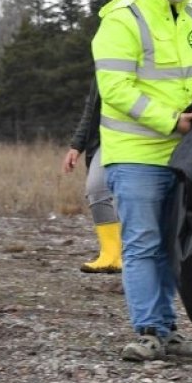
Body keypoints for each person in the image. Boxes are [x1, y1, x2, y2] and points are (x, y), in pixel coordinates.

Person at [92, 0, 192, 361]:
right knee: (143, 243)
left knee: (173, 246)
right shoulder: (122, 20)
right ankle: (149, 331)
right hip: (137, 152)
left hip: (184, 154)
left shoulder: (191, 14)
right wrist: (169, 119)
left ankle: (168, 330)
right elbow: (115, 89)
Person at [60, 82, 121, 273]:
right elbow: (92, 109)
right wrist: (77, 145)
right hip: (108, 140)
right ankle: (111, 255)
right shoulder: (105, 63)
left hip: (152, 139)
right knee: (96, 188)